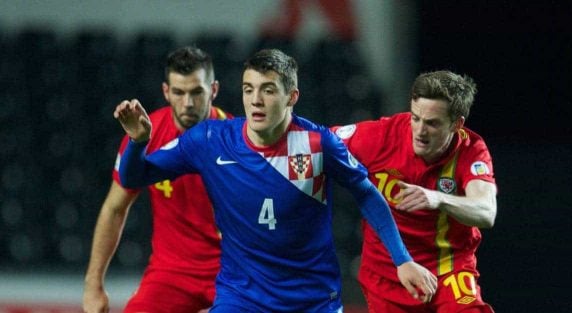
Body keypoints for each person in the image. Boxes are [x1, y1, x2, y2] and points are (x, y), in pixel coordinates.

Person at [113, 49, 437, 312]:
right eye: (248, 89)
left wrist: (403, 260)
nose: (256, 100)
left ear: (291, 96)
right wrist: (139, 141)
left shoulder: (318, 144)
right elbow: (135, 177)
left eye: (268, 90)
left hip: (312, 299)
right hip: (241, 298)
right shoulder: (210, 139)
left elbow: (367, 194)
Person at [83, 46, 232, 313]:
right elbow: (114, 208)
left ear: (214, 90)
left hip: (233, 274)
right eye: (179, 92)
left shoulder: (239, 140)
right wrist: (93, 285)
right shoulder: (144, 135)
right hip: (170, 275)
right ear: (166, 92)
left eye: (197, 92)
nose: (188, 103)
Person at [333, 70, 497, 312]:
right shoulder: (381, 136)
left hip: (447, 271)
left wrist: (437, 198)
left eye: (432, 123)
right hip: (388, 275)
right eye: (415, 118)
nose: (419, 131)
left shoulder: (471, 150)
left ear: (457, 124)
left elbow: (486, 212)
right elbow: (317, 142)